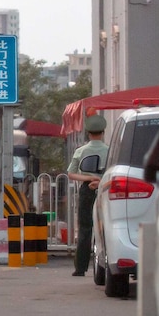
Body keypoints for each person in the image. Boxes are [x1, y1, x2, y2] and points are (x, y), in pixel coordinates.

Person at [67, 114, 108, 277]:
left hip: (86, 191)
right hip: (105, 188)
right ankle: (105, 264)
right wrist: (99, 180)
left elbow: (71, 173)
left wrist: (88, 178)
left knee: (85, 228)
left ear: (88, 133)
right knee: (105, 227)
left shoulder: (80, 151)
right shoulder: (109, 150)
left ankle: (80, 267)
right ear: (103, 132)